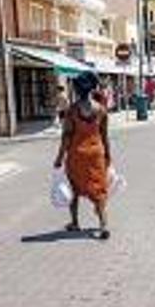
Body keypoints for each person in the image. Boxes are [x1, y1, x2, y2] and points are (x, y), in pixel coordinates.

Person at [53, 72, 112, 240]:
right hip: (96, 154)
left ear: (77, 90)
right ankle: (103, 224)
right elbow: (105, 135)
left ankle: (75, 222)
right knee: (98, 189)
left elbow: (66, 137)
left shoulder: (72, 111)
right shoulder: (101, 110)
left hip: (76, 154)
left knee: (74, 188)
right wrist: (108, 155)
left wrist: (59, 158)